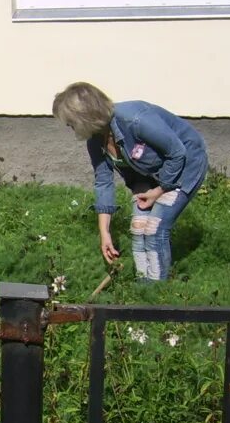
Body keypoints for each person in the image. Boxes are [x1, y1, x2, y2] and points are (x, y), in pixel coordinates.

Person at [52, 82, 209, 281]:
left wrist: (160, 190)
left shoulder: (135, 120)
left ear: (85, 116)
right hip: (148, 174)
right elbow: (103, 182)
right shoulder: (95, 139)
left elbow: (177, 152)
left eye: (70, 122)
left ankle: (157, 292)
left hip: (185, 165)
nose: (70, 127)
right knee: (138, 226)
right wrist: (104, 233)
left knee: (154, 229)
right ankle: (142, 285)